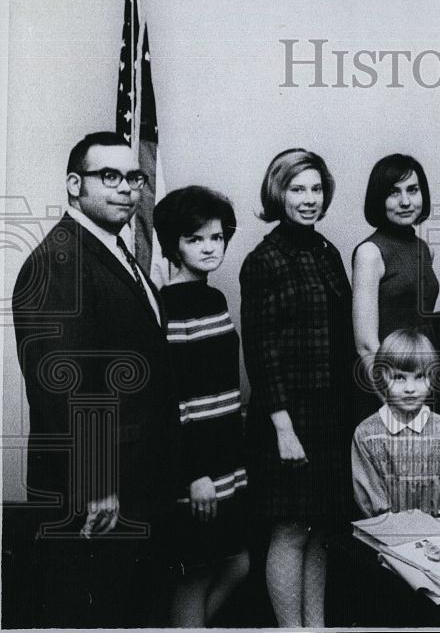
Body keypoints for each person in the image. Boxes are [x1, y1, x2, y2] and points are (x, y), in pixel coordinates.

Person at [11, 132, 176, 627]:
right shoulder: (58, 259)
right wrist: (97, 481)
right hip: (94, 492)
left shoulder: (114, 253)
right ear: (74, 184)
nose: (126, 188)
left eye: (134, 177)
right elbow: (62, 387)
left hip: (134, 482)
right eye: (109, 176)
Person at [240, 149, 354, 628]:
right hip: (286, 417)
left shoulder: (326, 251)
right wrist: (283, 428)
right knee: (289, 531)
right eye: (297, 189)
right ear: (277, 193)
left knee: (319, 530)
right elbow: (261, 353)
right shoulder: (263, 260)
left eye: (315, 188)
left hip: (330, 411)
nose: (308, 199)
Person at [152, 186, 249, 627]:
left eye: (216, 237)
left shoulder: (215, 299)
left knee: (237, 563)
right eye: (195, 239)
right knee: (196, 574)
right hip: (197, 468)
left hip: (225, 458)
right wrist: (194, 474)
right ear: (174, 244)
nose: (210, 248)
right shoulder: (168, 307)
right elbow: (173, 402)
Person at [352, 154, 440, 416]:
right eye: (393, 192)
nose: (405, 201)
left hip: (423, 380)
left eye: (412, 190)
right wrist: (396, 406)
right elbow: (366, 345)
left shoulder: (425, 249)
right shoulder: (370, 252)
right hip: (387, 391)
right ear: (379, 199)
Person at [351, 329, 440, 517]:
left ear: (432, 379)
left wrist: (439, 520)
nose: (410, 388)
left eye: (420, 377)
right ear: (382, 376)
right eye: (399, 377)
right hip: (386, 533)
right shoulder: (367, 434)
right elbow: (370, 495)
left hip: (439, 530)